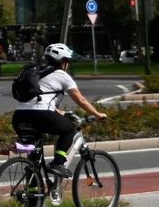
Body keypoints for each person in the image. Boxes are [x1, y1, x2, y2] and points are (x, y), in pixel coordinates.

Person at [12, 42, 107, 179]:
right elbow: (81, 100)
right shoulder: (62, 75)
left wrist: (60, 112)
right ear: (63, 61)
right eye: (67, 61)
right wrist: (97, 115)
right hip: (41, 114)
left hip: (19, 115)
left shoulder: (37, 72)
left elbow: (40, 98)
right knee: (69, 128)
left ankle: (33, 196)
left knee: (34, 156)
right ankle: (58, 163)